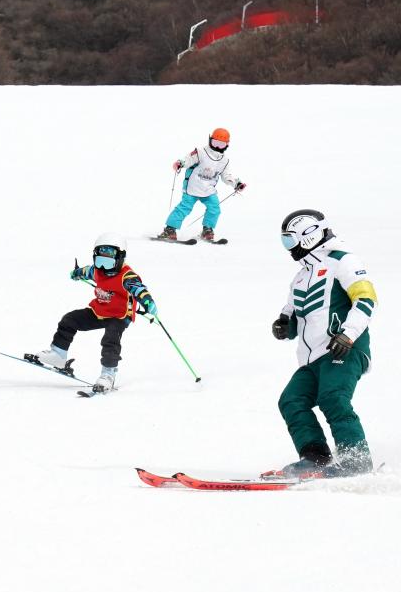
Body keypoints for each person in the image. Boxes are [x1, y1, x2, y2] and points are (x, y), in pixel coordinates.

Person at [269, 209, 377, 478]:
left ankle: (357, 461)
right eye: (285, 242)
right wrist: (284, 325)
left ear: (309, 235)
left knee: (333, 397)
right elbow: (293, 314)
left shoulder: (343, 261)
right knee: (292, 400)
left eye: (290, 240)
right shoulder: (300, 277)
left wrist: (348, 334)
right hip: (313, 358)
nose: (289, 248)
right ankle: (315, 457)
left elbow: (366, 298)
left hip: (344, 348)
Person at [28, 233, 156, 392]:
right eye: (100, 261)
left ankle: (108, 374)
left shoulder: (127, 276)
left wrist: (148, 301)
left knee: (111, 338)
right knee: (70, 320)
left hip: (119, 316)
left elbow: (138, 288)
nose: (103, 268)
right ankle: (58, 355)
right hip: (99, 311)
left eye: (108, 263)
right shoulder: (96, 271)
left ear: (120, 258)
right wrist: (77, 273)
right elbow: (87, 271)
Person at [157, 128, 246, 242]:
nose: (217, 147)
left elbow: (226, 176)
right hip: (192, 187)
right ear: (210, 140)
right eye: (215, 143)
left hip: (208, 190)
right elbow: (188, 159)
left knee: (215, 209)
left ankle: (207, 230)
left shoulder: (225, 161)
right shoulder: (200, 152)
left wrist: (236, 183)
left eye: (221, 144)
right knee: (184, 208)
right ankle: (169, 230)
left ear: (226, 145)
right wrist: (181, 163)